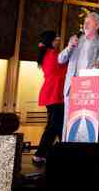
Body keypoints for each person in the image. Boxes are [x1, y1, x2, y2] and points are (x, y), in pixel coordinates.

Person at [58, 11, 99, 124]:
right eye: (85, 22)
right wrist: (69, 47)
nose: (85, 25)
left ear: (97, 26)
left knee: (84, 123)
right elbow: (60, 59)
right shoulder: (75, 40)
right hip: (71, 87)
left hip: (88, 89)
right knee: (68, 123)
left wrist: (97, 63)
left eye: (89, 23)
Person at [33, 31, 66, 164]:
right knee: (54, 126)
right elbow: (64, 69)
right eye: (56, 38)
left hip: (51, 92)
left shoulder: (46, 54)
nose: (58, 40)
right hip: (55, 93)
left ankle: (47, 153)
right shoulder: (53, 54)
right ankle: (40, 153)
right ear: (51, 41)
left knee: (58, 125)